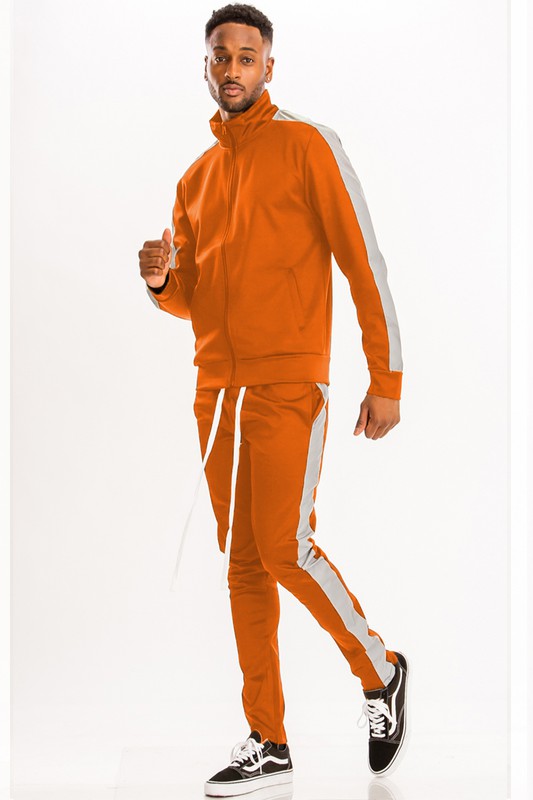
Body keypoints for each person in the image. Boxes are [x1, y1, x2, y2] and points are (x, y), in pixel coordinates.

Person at [138, 3, 409, 796]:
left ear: (268, 67)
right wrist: (162, 281)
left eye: (246, 56)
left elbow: (362, 261)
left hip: (288, 380)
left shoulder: (306, 145)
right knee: (244, 564)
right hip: (216, 391)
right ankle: (268, 738)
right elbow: (195, 298)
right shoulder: (194, 178)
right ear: (206, 66)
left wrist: (385, 378)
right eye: (220, 56)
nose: (232, 68)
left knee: (285, 547)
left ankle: (380, 669)